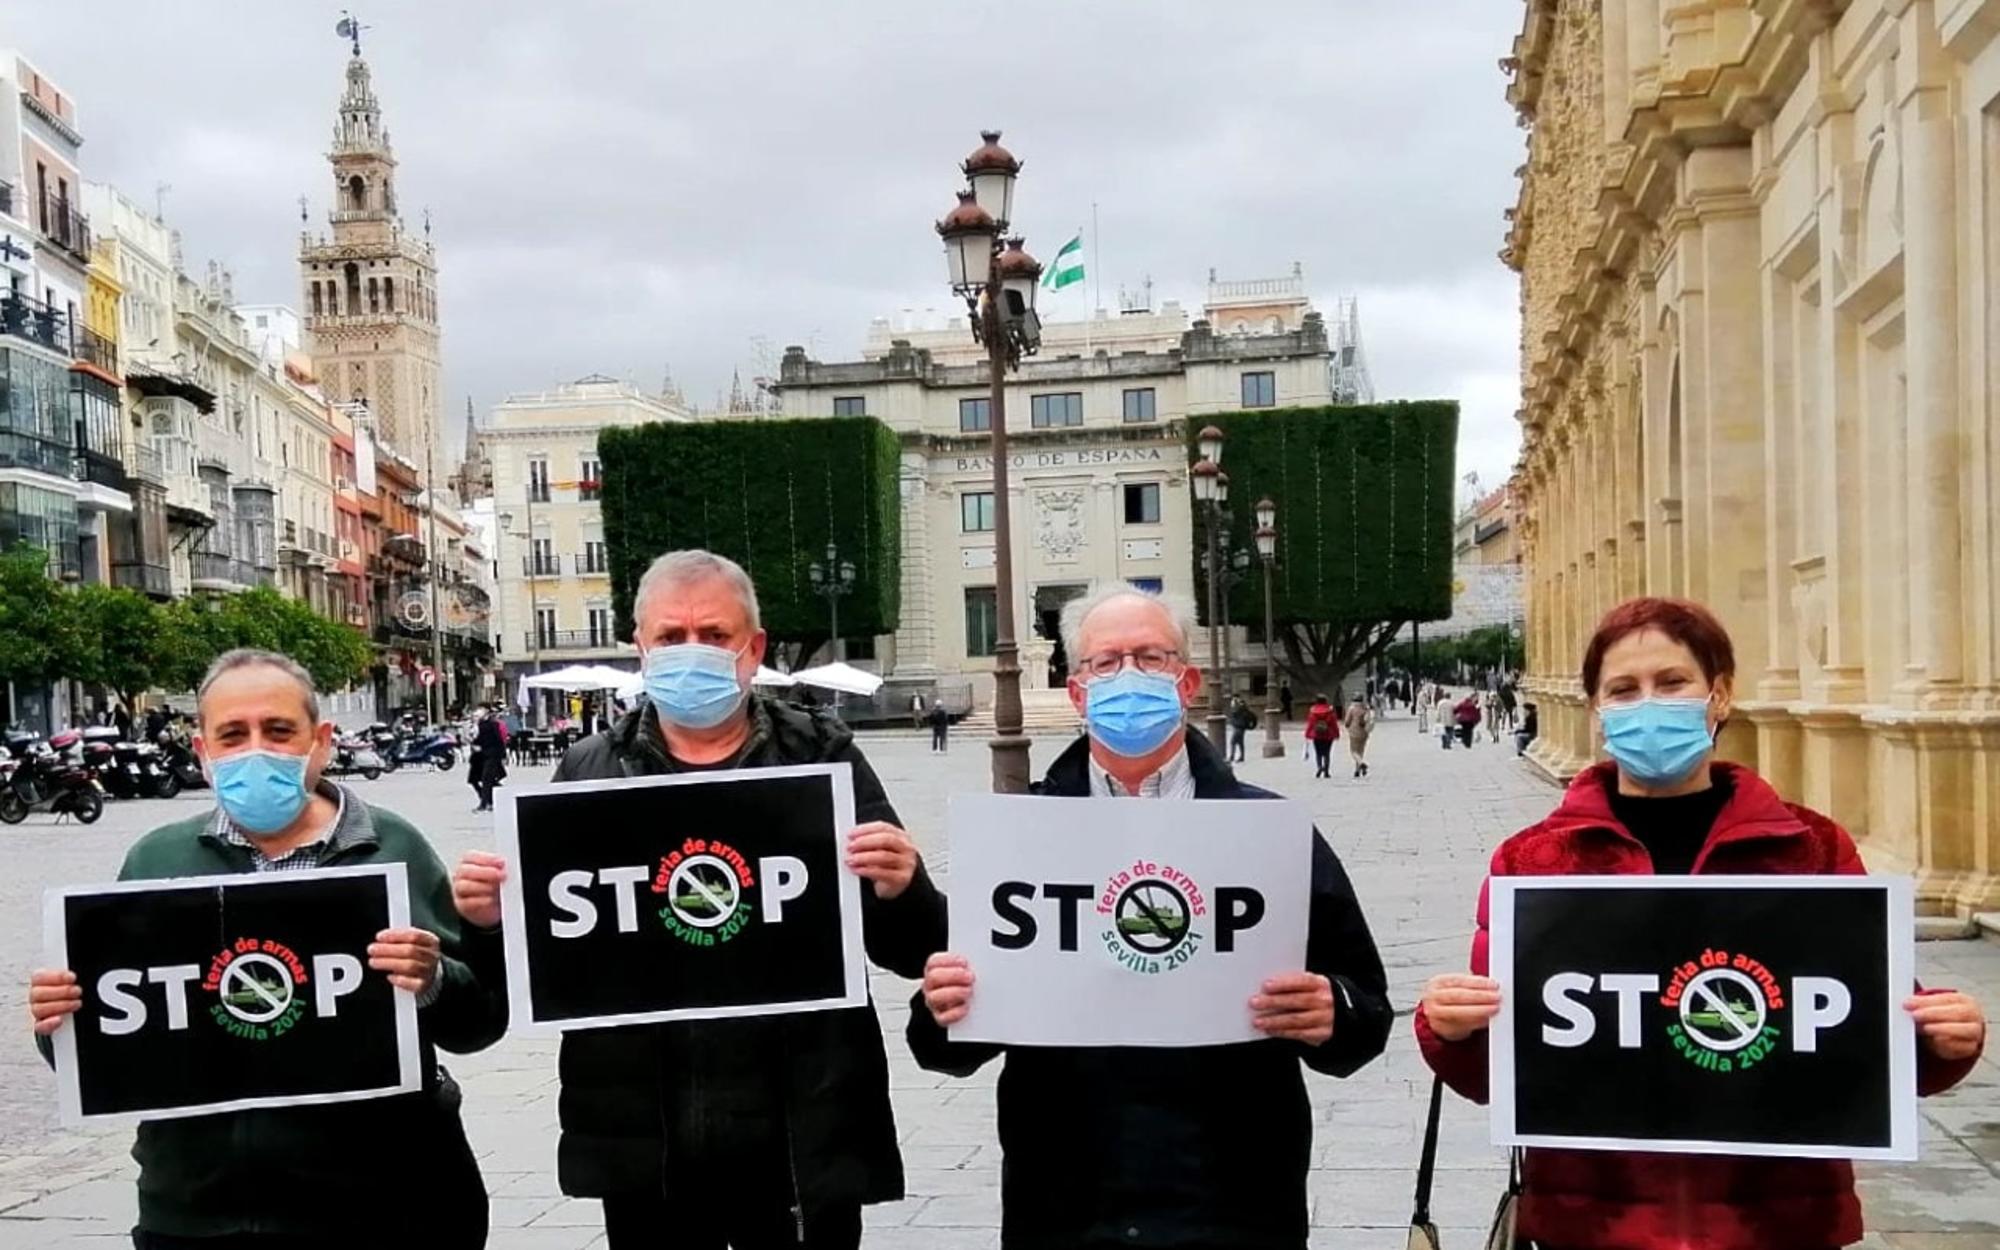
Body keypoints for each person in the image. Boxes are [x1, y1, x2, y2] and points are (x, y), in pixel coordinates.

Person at [1417, 597, 1987, 1250]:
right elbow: (1498, 1072)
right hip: (1595, 1225)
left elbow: (1862, 1035)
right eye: (1624, 690)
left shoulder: (1813, 848)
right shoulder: (1533, 862)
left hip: (1778, 1225)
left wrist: (1939, 1038)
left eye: (1673, 682)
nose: (1648, 705)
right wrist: (1452, 1030)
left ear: (1719, 695)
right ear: (1599, 712)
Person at [450, 550, 946, 1250]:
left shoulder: (821, 758)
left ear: (754, 648)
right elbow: (538, 970)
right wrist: (487, 923)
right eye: (671, 637)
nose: (693, 653)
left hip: (800, 1132)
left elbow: (912, 948)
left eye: (714, 636)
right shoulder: (587, 770)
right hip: (643, 1143)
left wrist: (903, 885)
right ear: (641, 649)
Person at [911, 585, 1392, 1250]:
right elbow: (941, 1043)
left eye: (1151, 658)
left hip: (1234, 1202)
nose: (1127, 677)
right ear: (1077, 691)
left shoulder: (1267, 832)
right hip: (1067, 1205)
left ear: (1187, 680)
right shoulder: (1018, 841)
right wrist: (942, 1006)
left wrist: (1333, 1010)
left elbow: (1367, 1009)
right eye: (1105, 664)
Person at [27, 648, 502, 1249]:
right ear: (202, 752)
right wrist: (58, 1023)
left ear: (321, 741)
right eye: (232, 734)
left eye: (279, 731)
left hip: (389, 1208)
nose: (257, 749)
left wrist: (433, 977)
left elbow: (479, 1021)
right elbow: (112, 1042)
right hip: (201, 1213)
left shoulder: (391, 848)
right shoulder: (156, 861)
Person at [468, 705, 508, 812]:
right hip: (478, 757)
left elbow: (499, 740)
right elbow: (477, 740)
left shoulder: (492, 725)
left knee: (487, 779)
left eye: (477, 714)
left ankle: (485, 803)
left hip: (491, 755)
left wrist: (503, 755)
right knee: (476, 780)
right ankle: (491, 799)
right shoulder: (477, 726)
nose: (475, 717)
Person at [1303, 692, 1339, 778]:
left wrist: (1307, 734)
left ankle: (1319, 767)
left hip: (1317, 735)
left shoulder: (1313, 711)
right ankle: (1326, 771)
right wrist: (1337, 733)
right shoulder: (1330, 711)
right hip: (1328, 734)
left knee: (1318, 753)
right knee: (1327, 753)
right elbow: (1334, 723)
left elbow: (1310, 724)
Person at [1341, 696, 1372, 778]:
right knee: (1361, 751)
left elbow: (1347, 721)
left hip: (1354, 732)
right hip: (1364, 732)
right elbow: (1369, 720)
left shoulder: (1352, 708)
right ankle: (1357, 770)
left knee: (1353, 751)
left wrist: (1347, 725)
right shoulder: (1366, 708)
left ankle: (1361, 763)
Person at [1226, 695, 1256, 763]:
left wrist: (1234, 705)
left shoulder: (1238, 707)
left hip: (1238, 727)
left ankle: (1232, 757)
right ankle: (1241, 757)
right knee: (1240, 742)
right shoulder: (1244, 707)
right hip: (1241, 727)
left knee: (1233, 742)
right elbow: (1253, 717)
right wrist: (1250, 727)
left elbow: (1234, 713)